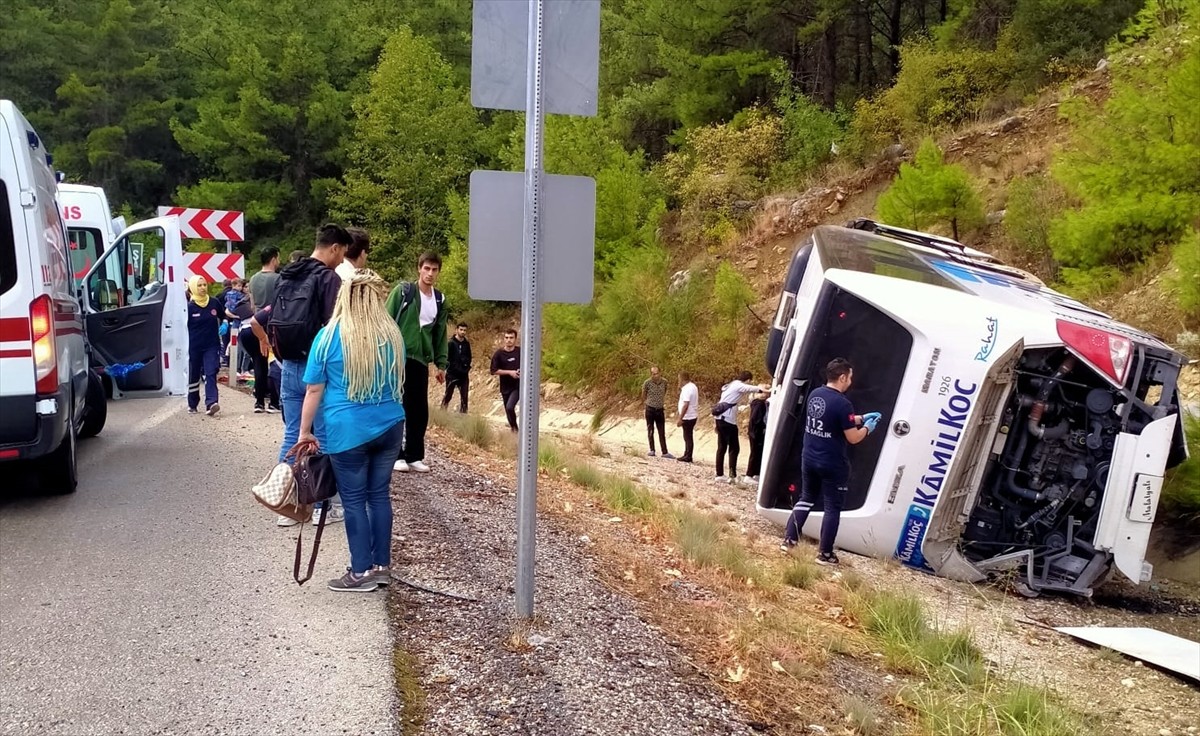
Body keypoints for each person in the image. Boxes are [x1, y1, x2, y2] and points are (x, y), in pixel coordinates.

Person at [297, 269, 406, 593]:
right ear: (376, 298)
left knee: (355, 499)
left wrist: (305, 432)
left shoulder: (329, 336)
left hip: (348, 431)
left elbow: (314, 390)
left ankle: (360, 572)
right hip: (390, 425)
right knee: (379, 495)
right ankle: (381, 566)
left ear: (343, 296)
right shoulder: (391, 334)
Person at [251, 223, 352, 527]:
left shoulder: (288, 274)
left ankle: (285, 503)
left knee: (294, 434)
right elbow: (336, 328)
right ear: (334, 248)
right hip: (317, 370)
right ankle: (321, 507)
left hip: (289, 366)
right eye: (342, 254)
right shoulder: (328, 279)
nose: (341, 260)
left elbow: (267, 318)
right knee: (322, 436)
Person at [782, 358, 882, 565]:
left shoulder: (815, 394)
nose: (851, 382)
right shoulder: (843, 403)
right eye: (850, 377)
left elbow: (834, 420)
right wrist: (868, 428)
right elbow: (853, 437)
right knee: (832, 507)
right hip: (832, 463)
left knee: (806, 498)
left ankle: (789, 540)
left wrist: (861, 418)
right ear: (843, 377)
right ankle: (825, 554)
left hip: (809, 458)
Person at [385, 252, 448, 473]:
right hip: (397, 356)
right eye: (426, 268)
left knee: (418, 410)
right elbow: (385, 320)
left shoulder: (439, 300)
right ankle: (396, 455)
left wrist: (441, 364)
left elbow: (440, 334)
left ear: (438, 272)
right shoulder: (403, 291)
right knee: (396, 405)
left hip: (420, 359)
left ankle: (414, 455)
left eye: (434, 269)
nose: (430, 273)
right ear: (419, 269)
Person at [186, 275, 232, 416]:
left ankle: (211, 403)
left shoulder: (213, 302)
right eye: (199, 285)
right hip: (194, 346)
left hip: (211, 345)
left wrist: (225, 323)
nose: (202, 288)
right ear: (193, 288)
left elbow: (224, 315)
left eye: (204, 285)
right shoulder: (189, 307)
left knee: (211, 372)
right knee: (194, 375)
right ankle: (192, 403)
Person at [713, 370, 769, 484]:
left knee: (721, 447)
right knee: (734, 448)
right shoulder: (738, 385)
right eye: (750, 381)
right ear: (747, 380)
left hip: (720, 418)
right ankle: (732, 475)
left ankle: (719, 474)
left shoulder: (730, 385)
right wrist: (768, 390)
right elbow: (751, 389)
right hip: (728, 420)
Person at [490, 329, 520, 432]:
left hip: (517, 386)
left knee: (510, 407)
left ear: (515, 339)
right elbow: (493, 371)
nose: (509, 340)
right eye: (506, 338)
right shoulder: (499, 354)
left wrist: (520, 371)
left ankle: (515, 429)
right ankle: (513, 429)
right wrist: (509, 372)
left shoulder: (520, 352)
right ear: (504, 339)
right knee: (508, 410)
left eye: (511, 338)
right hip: (505, 387)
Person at [641, 366, 673, 458]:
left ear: (660, 373)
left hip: (660, 409)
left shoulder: (664, 382)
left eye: (656, 373)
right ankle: (652, 450)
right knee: (650, 430)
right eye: (653, 374)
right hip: (650, 409)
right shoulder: (647, 383)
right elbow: (643, 394)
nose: (655, 375)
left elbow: (665, 392)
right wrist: (648, 403)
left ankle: (664, 451)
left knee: (661, 431)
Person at [442, 322, 472, 413]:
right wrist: (449, 368)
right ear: (456, 330)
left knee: (464, 398)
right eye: (461, 329)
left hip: (463, 375)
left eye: (464, 330)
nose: (463, 332)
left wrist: (466, 368)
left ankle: (463, 416)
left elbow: (469, 357)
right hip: (452, 374)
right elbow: (446, 358)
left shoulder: (466, 344)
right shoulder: (451, 343)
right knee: (448, 395)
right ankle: (442, 413)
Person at [744, 391, 769, 484]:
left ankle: (756, 473)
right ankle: (749, 475)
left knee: (758, 453)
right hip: (756, 432)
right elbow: (756, 419)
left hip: (754, 431)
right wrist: (763, 426)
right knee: (755, 453)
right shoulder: (759, 404)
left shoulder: (757, 403)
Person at [675, 371, 699, 463]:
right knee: (688, 436)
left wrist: (680, 418)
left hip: (688, 416)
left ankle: (688, 456)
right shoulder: (693, 386)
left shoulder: (686, 389)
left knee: (687, 436)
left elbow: (686, 404)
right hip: (693, 415)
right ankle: (687, 453)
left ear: (682, 378)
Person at [248, 246, 280, 311]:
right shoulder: (279, 278)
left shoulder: (253, 278)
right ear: (273, 260)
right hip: (274, 315)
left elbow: (252, 306)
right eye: (278, 259)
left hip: (258, 315)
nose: (279, 262)